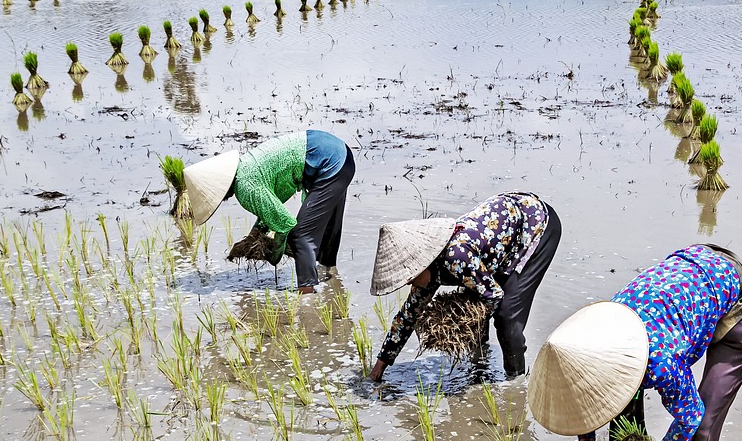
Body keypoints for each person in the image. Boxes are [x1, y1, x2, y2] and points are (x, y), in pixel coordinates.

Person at [527, 244, 742, 441]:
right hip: (689, 275)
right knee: (622, 401)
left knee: (704, 425)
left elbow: (690, 417)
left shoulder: (659, 361)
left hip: (741, 298)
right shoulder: (591, 338)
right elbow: (585, 398)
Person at [368, 192, 561, 380]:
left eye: (410, 278)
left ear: (421, 265)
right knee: (474, 295)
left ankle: (516, 380)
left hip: (535, 225)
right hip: (501, 239)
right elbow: (408, 315)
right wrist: (380, 366)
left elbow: (493, 295)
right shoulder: (432, 267)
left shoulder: (456, 257)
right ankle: (480, 365)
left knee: (506, 314)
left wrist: (458, 322)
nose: (410, 283)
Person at [180, 129, 356, 293]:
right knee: (330, 227)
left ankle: (307, 295)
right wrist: (255, 235)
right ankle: (332, 277)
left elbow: (286, 223)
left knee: (300, 235)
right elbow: (271, 207)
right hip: (340, 155)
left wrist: (274, 254)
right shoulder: (247, 165)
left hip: (330, 164)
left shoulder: (245, 186)